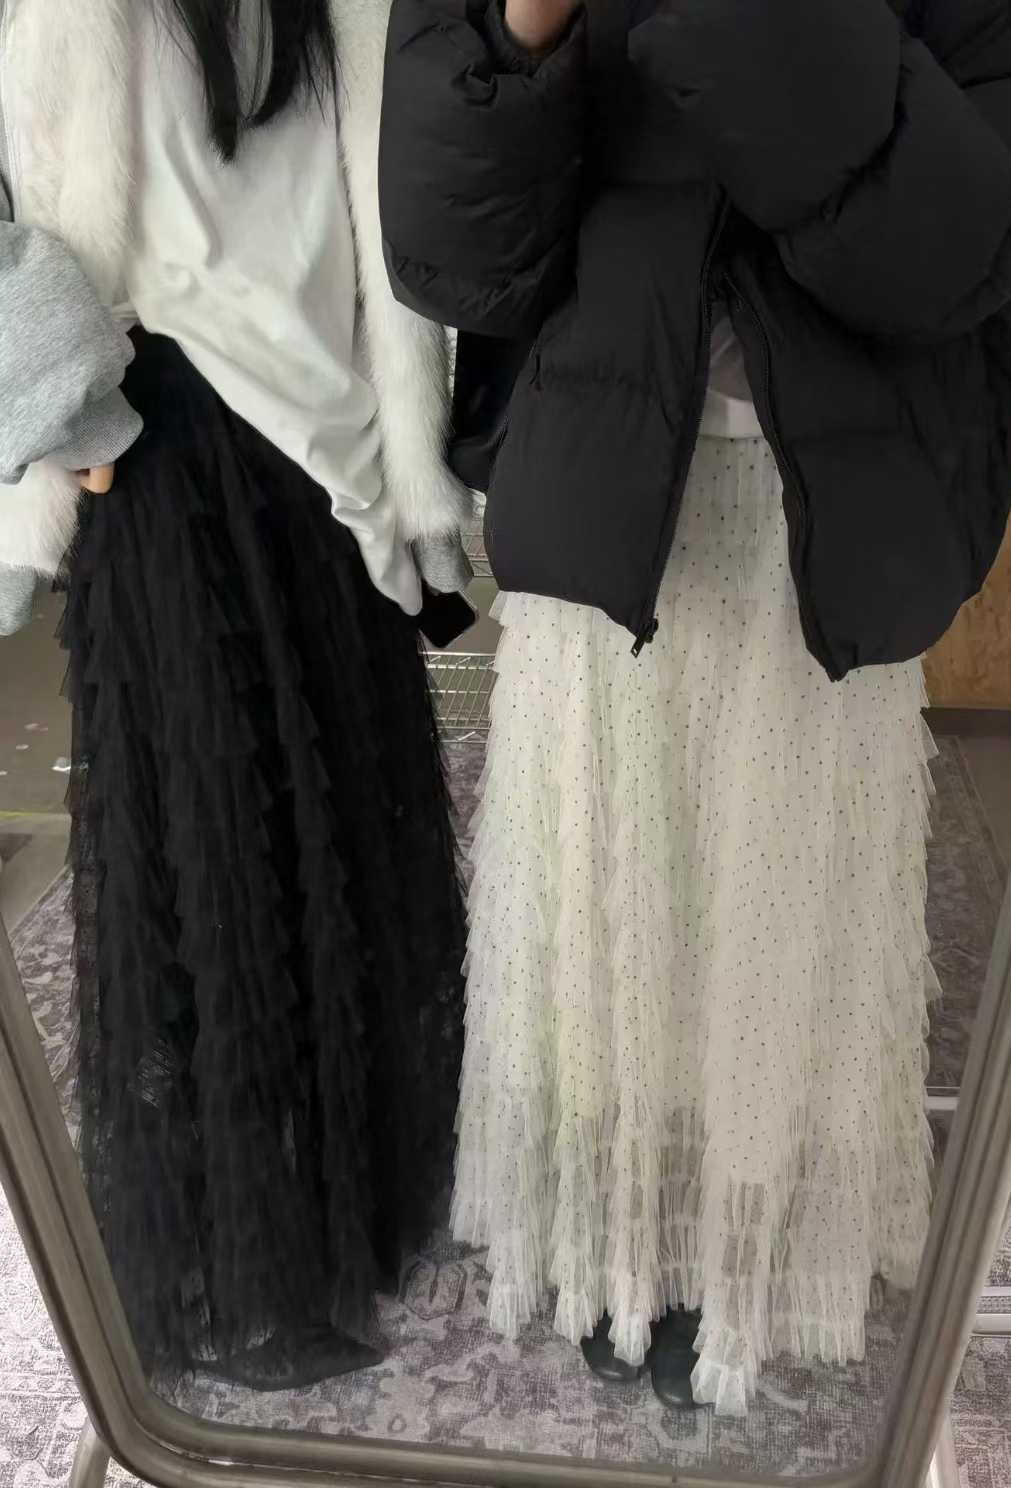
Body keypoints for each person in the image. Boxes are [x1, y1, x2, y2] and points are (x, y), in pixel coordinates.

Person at [378, 0, 1011, 1412]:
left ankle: (742, 1241)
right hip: (596, 479)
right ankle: (625, 1234)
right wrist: (520, 35)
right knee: (609, 903)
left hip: (830, 501)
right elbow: (450, 256)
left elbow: (952, 247)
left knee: (781, 919)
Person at [0, 0, 472, 1389]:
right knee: (233, 854)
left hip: (297, 456)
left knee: (301, 841)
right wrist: (62, 408)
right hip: (186, 445)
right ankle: (269, 1242)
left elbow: (389, 218)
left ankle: (325, 1212)